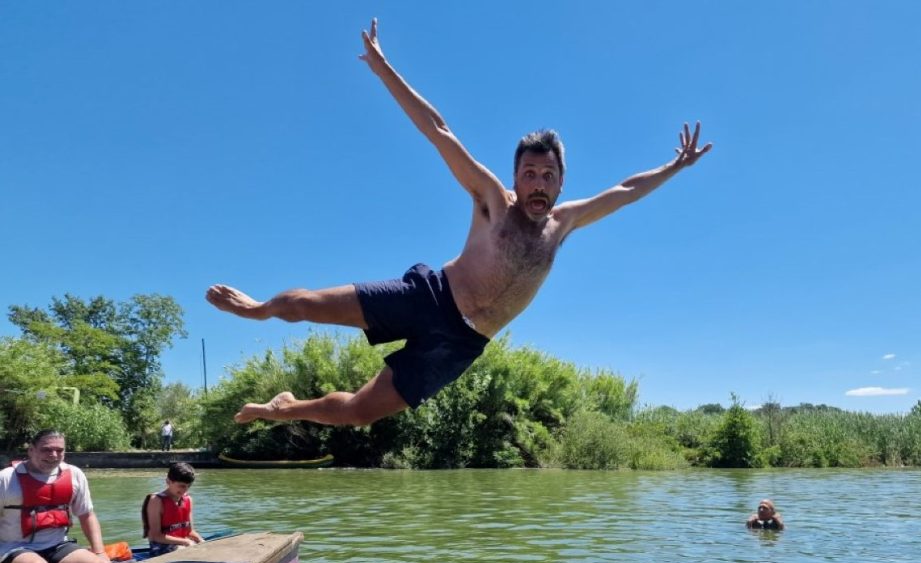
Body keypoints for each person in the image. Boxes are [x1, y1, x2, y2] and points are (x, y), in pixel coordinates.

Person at [206, 18, 712, 428]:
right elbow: (439, 131)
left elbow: (624, 192)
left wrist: (674, 166)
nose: (537, 183)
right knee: (302, 306)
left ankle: (285, 408)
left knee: (360, 413)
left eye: (548, 175)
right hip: (430, 296)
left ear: (561, 183)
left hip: (464, 343)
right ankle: (258, 309)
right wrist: (384, 71)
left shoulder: (565, 222)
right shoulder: (492, 199)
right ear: (516, 176)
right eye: (529, 173)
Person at [0, 429, 113, 563]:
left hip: (57, 546)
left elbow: (86, 515)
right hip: (13, 548)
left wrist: (99, 551)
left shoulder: (75, 475)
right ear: (31, 450)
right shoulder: (6, 479)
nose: (53, 455)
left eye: (59, 450)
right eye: (46, 449)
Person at [141, 462, 203, 557]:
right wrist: (186, 542)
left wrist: (201, 540)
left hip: (183, 543)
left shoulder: (188, 500)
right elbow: (155, 536)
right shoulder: (156, 501)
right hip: (160, 548)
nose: (185, 490)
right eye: (181, 486)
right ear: (168, 481)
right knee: (188, 552)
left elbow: (189, 531)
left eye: (188, 486)